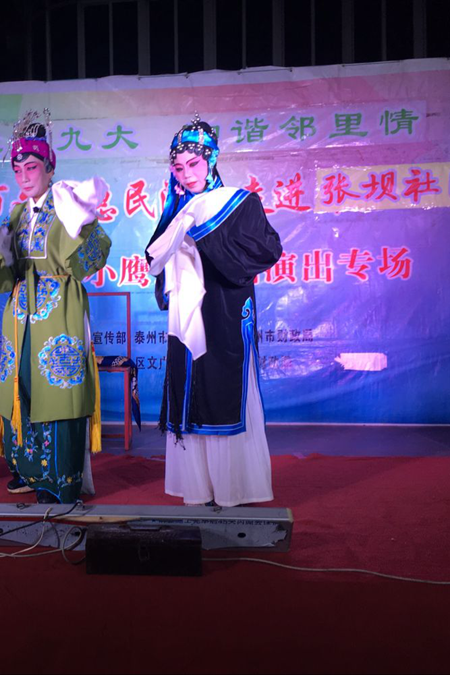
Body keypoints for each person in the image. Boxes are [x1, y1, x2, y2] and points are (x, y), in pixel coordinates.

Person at [0, 111, 111, 504]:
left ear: (49, 168)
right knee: (22, 386)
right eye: (18, 169)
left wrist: (82, 223)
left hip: (59, 312)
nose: (24, 177)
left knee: (58, 390)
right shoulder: (17, 213)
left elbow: (93, 258)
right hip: (20, 313)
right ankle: (29, 470)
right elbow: (5, 274)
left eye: (32, 167)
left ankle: (61, 480)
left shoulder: (67, 203)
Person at [146, 115, 282, 507]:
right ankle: (198, 487)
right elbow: (155, 259)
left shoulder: (238, 203)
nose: (187, 174)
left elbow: (266, 251)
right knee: (191, 390)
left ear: (212, 159)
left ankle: (232, 487)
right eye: (178, 167)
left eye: (193, 163)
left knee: (224, 389)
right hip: (186, 315)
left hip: (225, 310)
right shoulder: (176, 210)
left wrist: (203, 236)